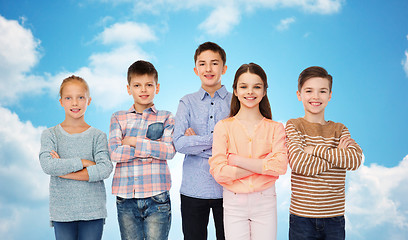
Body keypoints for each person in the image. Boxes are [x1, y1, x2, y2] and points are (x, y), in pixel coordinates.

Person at [208, 63, 288, 240]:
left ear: (264, 91)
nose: (250, 92)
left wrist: (235, 160)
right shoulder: (223, 127)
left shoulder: (276, 128)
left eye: (256, 87)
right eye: (244, 87)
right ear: (235, 90)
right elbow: (219, 172)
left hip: (265, 201)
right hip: (234, 202)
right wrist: (262, 167)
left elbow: (280, 167)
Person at [285, 66, 363, 240]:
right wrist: (337, 154)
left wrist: (314, 150)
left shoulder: (339, 129)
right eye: (309, 90)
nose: (315, 96)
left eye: (322, 91)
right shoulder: (294, 125)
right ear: (299, 95)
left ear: (330, 95)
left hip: (334, 218)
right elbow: (298, 163)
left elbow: (355, 160)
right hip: (301, 217)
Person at [39, 75, 113, 240]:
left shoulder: (98, 136)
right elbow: (48, 166)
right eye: (68, 98)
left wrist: (64, 172)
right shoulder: (50, 135)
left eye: (80, 97)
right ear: (61, 102)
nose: (75, 103)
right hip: (62, 212)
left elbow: (104, 168)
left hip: (93, 211)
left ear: (89, 100)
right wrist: (83, 163)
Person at [108, 60, 176, 240]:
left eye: (148, 85)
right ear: (129, 88)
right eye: (137, 85)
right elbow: (114, 153)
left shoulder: (166, 117)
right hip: (126, 198)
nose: (143, 90)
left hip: (157, 196)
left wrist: (131, 142)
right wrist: (150, 149)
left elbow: (169, 151)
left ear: (157, 87)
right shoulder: (118, 117)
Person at [173, 41, 231, 240]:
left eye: (214, 63)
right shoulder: (186, 102)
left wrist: (196, 142)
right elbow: (179, 143)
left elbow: (238, 145)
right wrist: (219, 141)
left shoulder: (237, 102)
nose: (208, 68)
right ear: (195, 69)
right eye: (202, 63)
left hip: (229, 190)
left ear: (223, 68)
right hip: (193, 190)